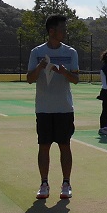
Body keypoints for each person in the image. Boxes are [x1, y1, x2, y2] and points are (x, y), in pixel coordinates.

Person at [26, 15, 80, 200]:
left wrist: (65, 72)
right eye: (62, 29)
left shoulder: (71, 52)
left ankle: (66, 183)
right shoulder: (37, 52)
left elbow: (76, 79)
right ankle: (44, 183)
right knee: (44, 146)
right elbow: (29, 79)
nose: (65, 32)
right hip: (43, 108)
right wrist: (40, 67)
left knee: (65, 145)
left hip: (64, 108)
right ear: (51, 31)